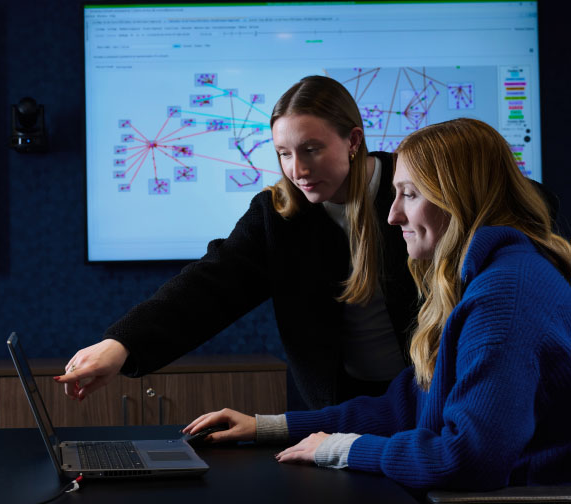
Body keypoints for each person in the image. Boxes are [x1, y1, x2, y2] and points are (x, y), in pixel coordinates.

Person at [183, 118, 571, 490]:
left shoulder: (505, 296)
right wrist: (267, 427)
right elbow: (402, 408)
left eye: (411, 194)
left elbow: (467, 458)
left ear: (459, 199)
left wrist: (342, 449)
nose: (392, 215)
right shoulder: (493, 277)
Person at [56, 75, 419, 409]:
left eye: (311, 149)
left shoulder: (414, 188)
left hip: (430, 395)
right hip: (337, 406)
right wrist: (120, 345)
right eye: (284, 153)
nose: (297, 170)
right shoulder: (277, 214)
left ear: (353, 140)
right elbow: (209, 286)